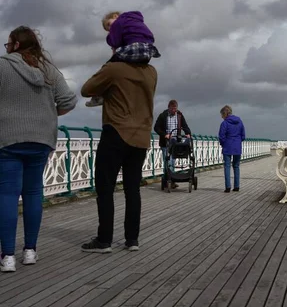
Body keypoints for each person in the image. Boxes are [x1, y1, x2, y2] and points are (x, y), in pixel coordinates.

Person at [0, 26, 77, 272]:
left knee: (8, 196)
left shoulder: (2, 66)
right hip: (41, 140)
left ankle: (8, 256)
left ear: (16, 45)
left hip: (8, 140)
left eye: (8, 44)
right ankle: (30, 251)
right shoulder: (48, 70)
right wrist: (45, 115)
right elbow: (68, 101)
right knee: (33, 193)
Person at [79, 39, 158, 253]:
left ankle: (104, 240)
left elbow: (86, 90)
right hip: (141, 136)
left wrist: (112, 60)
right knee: (132, 190)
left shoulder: (114, 69)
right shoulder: (151, 72)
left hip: (116, 133)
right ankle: (132, 239)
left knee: (105, 188)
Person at [85, 11, 160, 107]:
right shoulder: (137, 21)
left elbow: (115, 41)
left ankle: (98, 96)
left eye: (109, 25)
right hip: (148, 50)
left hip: (136, 47)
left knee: (111, 63)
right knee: (133, 68)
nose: (110, 29)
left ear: (115, 16)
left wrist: (111, 41)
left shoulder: (119, 22)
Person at [153, 100, 192, 190]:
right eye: (173, 109)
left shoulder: (179, 115)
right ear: (169, 108)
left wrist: (188, 133)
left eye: (175, 109)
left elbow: (185, 126)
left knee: (172, 162)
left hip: (176, 142)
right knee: (167, 161)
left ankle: (172, 180)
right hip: (165, 142)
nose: (174, 110)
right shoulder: (163, 116)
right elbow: (156, 128)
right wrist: (164, 134)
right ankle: (168, 181)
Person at [218, 105, 245, 193]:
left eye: (222, 115)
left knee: (227, 166)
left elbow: (221, 136)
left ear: (224, 114)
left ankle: (228, 187)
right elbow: (243, 135)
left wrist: (223, 144)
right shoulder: (239, 121)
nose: (222, 117)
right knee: (236, 166)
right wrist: (238, 141)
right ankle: (236, 186)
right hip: (237, 147)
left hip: (227, 146)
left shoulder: (224, 123)